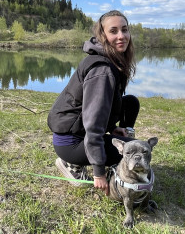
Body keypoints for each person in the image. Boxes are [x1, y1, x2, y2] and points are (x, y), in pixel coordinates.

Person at [47, 10, 139, 195]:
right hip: (71, 142)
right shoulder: (102, 71)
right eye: (113, 31)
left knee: (130, 103)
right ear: (102, 35)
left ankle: (112, 149)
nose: (121, 36)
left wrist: (112, 128)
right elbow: (94, 124)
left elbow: (105, 106)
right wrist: (99, 172)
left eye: (124, 29)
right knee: (135, 149)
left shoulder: (111, 60)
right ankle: (73, 164)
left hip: (77, 132)